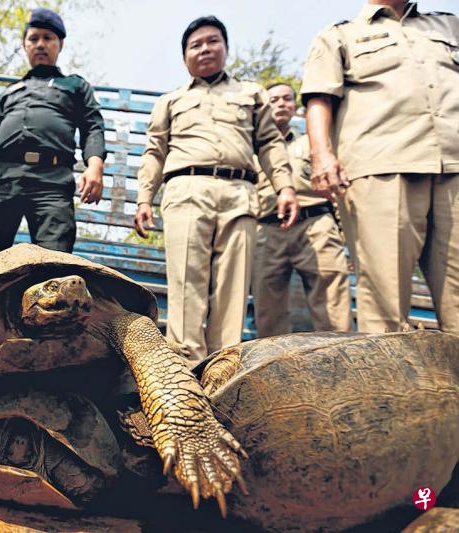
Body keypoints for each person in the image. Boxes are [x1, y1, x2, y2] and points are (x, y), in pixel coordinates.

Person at [134, 16, 299, 362]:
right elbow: (155, 152)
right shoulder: (171, 100)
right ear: (184, 58)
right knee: (186, 285)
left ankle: (225, 368)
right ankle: (187, 366)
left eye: (212, 41)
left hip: (240, 193)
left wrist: (284, 186)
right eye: (195, 45)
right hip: (186, 190)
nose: (205, 49)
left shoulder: (250, 93)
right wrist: (144, 198)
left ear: (225, 48)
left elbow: (269, 142)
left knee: (232, 288)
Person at [302, 1, 459, 334]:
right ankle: (392, 387)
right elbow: (319, 98)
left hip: (454, 166)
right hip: (382, 169)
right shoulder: (340, 36)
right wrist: (322, 155)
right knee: (385, 302)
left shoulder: (448, 26)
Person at [0, 8, 106, 259]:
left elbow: (92, 125)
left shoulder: (74, 85)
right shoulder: (11, 91)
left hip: (52, 180)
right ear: (24, 45)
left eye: (47, 38)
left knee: (54, 259)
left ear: (59, 44)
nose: (40, 44)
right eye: (33, 39)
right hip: (3, 177)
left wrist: (94, 167)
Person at [252, 82, 351, 337]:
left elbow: (339, 188)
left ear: (295, 107)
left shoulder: (314, 144)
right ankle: (271, 371)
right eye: (273, 100)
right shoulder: (253, 151)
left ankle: (338, 369)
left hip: (316, 223)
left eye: (286, 99)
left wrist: (342, 233)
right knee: (268, 311)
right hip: (267, 229)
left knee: (332, 306)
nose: (280, 104)